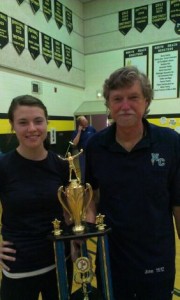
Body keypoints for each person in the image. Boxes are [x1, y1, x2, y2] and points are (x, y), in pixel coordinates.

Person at [85, 66, 180, 300]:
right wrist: (81, 233)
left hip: (157, 259)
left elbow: (178, 201)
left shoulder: (170, 142)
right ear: (108, 104)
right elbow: (90, 197)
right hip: (111, 258)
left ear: (146, 101)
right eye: (117, 99)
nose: (125, 106)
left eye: (133, 97)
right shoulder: (95, 146)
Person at [0, 95, 72, 300]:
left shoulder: (62, 165)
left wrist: (76, 243)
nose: (32, 128)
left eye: (38, 121)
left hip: (59, 263)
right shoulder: (4, 167)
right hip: (19, 267)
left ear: (47, 123)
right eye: (23, 122)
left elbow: (69, 211)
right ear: (12, 126)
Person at [71, 116, 96, 184]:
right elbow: (74, 143)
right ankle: (84, 186)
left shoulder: (91, 128)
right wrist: (79, 132)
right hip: (83, 155)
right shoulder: (76, 132)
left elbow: (96, 138)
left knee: (94, 170)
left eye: (86, 120)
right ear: (80, 123)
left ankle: (94, 185)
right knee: (84, 171)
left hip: (93, 154)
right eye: (84, 121)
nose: (86, 121)